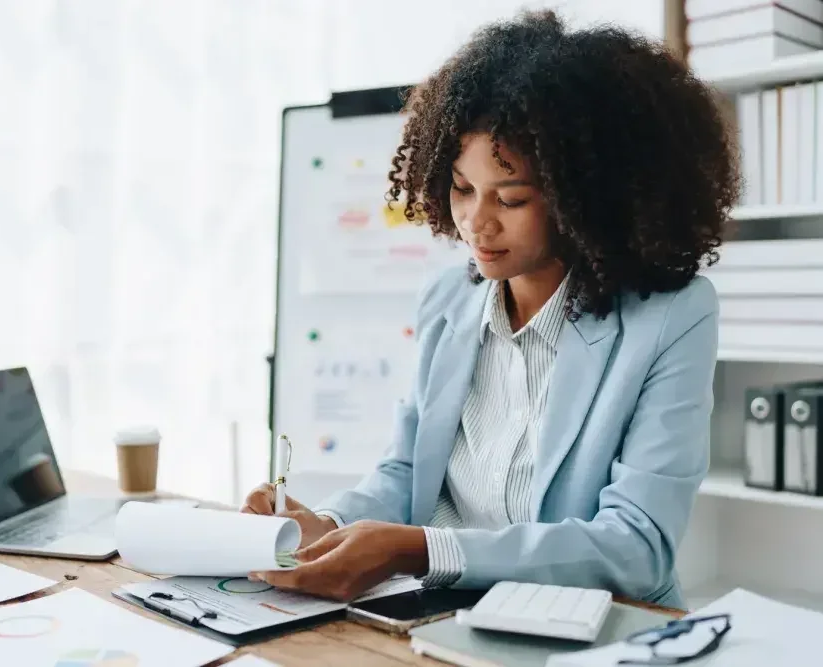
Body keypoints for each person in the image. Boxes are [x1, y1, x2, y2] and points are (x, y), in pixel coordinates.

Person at [242, 10, 739, 610]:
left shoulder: (670, 318)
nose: (477, 222)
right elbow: (404, 473)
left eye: (512, 198)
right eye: (461, 188)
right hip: (442, 614)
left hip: (594, 626)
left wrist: (418, 549)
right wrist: (325, 524)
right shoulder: (448, 300)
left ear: (587, 197)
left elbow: (635, 549)